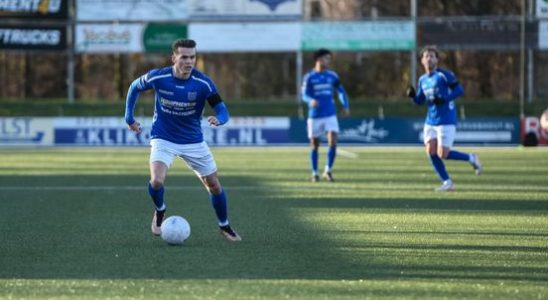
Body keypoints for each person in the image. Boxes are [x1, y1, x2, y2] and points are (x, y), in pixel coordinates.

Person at [124, 38, 241, 241]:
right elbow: (134, 87)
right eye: (184, 57)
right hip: (163, 137)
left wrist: (220, 119)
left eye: (193, 57)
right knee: (157, 180)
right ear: (174, 58)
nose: (189, 61)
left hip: (193, 140)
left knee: (214, 185)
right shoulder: (159, 77)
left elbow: (222, 110)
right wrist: (129, 117)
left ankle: (224, 226)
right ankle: (160, 210)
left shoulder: (203, 83)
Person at [406, 45, 482, 192]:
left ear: (437, 60)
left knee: (443, 154)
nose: (429, 58)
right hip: (431, 120)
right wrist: (413, 97)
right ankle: (447, 182)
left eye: (432, 56)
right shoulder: (422, 80)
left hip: (446, 119)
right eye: (426, 56)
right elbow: (420, 101)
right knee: (430, 151)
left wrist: (445, 98)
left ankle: (471, 158)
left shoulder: (444, 75)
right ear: (422, 60)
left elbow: (459, 90)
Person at [301, 48, 350, 182]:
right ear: (318, 59)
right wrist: (310, 100)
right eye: (326, 58)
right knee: (314, 144)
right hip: (315, 115)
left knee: (333, 140)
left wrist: (345, 105)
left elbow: (341, 91)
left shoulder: (332, 76)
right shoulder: (309, 77)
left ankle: (327, 170)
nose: (328, 61)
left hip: (330, 114)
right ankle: (314, 172)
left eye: (329, 59)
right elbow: (303, 95)